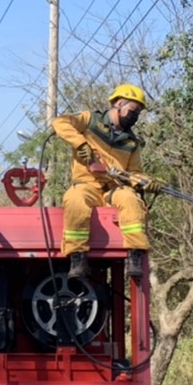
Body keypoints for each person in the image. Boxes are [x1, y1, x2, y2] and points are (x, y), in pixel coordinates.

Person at [51, 84, 162, 281]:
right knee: (75, 199)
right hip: (87, 185)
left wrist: (145, 182)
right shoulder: (89, 120)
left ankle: (135, 255)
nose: (135, 117)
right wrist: (80, 144)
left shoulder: (131, 142)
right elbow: (60, 122)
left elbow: (134, 172)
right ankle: (77, 258)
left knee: (131, 199)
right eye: (133, 111)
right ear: (119, 104)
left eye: (138, 114)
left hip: (114, 189)